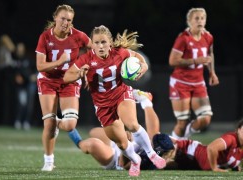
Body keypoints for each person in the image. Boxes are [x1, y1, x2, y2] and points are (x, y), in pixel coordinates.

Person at [63, 25, 166, 176]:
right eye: (96, 42)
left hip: (120, 93)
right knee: (121, 142)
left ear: (110, 43)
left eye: (103, 42)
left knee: (131, 123)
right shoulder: (86, 59)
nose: (100, 46)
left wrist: (143, 65)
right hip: (102, 105)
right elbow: (67, 77)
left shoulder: (119, 53)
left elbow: (137, 56)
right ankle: (135, 160)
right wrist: (79, 73)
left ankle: (151, 154)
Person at [35, 4, 92, 171]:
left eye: (69, 20)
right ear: (55, 18)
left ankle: (56, 122)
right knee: (48, 126)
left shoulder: (79, 36)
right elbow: (40, 66)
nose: (66, 22)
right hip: (47, 81)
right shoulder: (45, 37)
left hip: (69, 81)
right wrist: (60, 61)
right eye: (63, 18)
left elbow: (94, 50)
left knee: (70, 125)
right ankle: (48, 160)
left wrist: (86, 67)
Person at [68, 90, 167, 172]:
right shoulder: (166, 148)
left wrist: (125, 145)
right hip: (130, 145)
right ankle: (146, 102)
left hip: (118, 157)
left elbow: (124, 164)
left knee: (93, 144)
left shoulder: (167, 161)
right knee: (93, 132)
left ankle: (74, 136)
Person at [168, 8, 219, 140]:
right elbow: (172, 61)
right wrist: (196, 61)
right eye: (196, 18)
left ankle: (182, 138)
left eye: (202, 18)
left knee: (205, 119)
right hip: (180, 83)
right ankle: (171, 148)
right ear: (189, 21)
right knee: (182, 123)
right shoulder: (183, 38)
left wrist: (212, 72)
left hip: (198, 83)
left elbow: (210, 54)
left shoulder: (208, 37)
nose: (200, 21)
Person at [159, 119, 243, 172]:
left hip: (194, 164)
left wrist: (234, 167)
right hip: (191, 152)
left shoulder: (239, 150)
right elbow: (211, 148)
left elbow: (226, 159)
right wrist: (214, 168)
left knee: (162, 166)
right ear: (238, 129)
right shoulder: (231, 138)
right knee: (158, 142)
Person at [13, 42, 37, 130]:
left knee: (29, 104)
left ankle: (27, 122)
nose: (20, 51)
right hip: (21, 86)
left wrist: (35, 76)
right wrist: (16, 76)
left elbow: (36, 70)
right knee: (21, 103)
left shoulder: (28, 59)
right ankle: (18, 121)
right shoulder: (15, 60)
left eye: (21, 49)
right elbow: (14, 73)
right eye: (18, 49)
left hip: (30, 84)